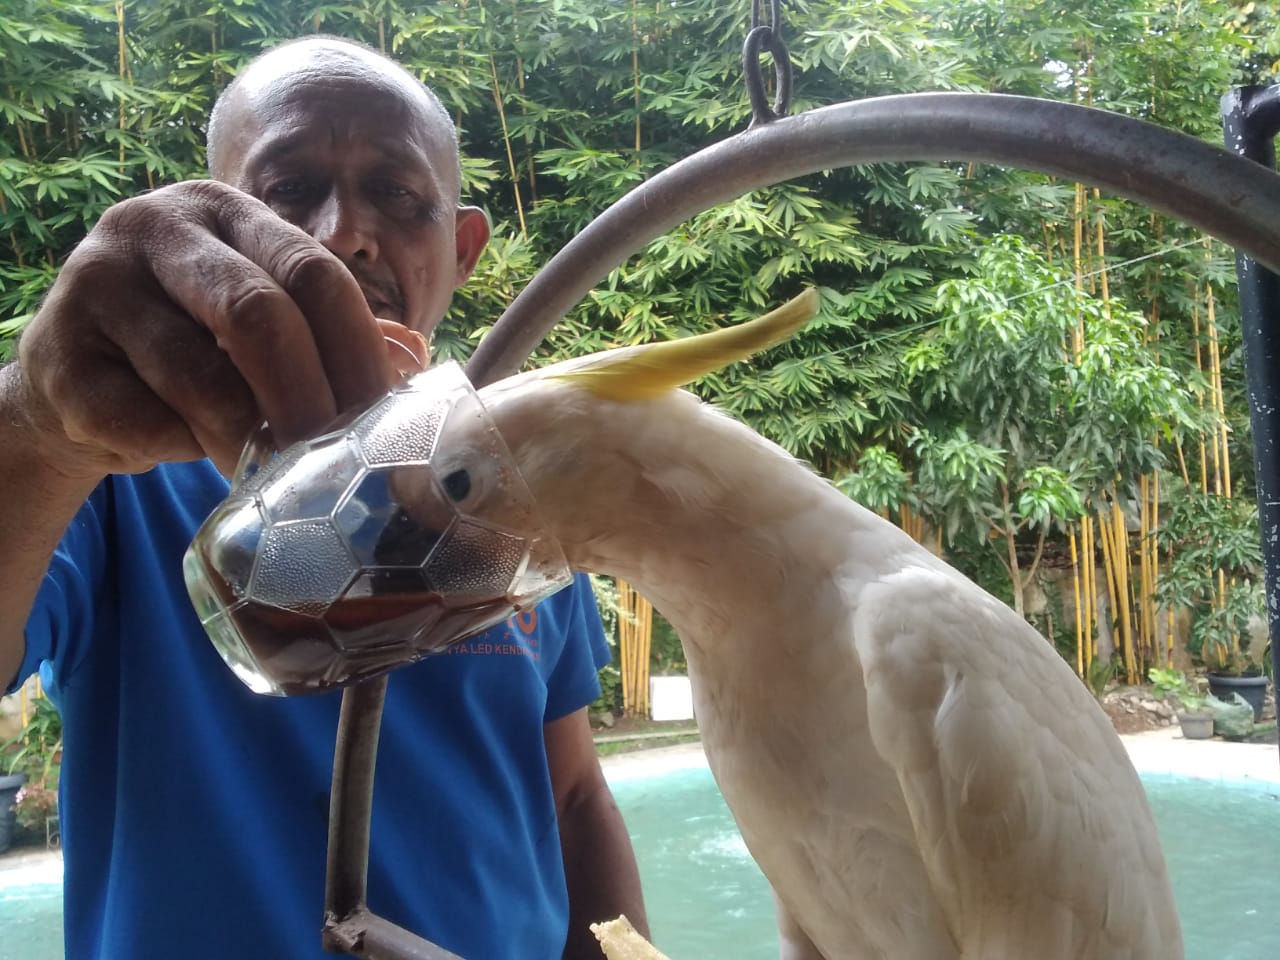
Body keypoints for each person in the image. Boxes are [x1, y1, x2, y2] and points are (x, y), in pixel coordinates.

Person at [0, 36, 648, 959]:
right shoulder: (113, 469)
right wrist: (33, 423)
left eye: (398, 193)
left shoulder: (507, 484)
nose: (343, 232)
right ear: (210, 224)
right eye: (287, 191)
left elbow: (574, 789)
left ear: (462, 249)